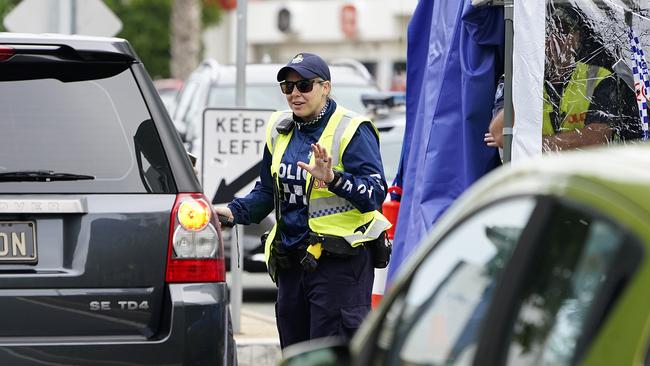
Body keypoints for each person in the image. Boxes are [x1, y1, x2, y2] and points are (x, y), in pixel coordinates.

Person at [215, 52, 390, 348]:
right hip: (293, 264)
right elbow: (268, 192)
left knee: (329, 355)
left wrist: (334, 178)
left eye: (304, 85)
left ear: (326, 87)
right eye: (287, 86)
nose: (295, 93)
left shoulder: (353, 130)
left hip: (340, 267)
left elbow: (374, 195)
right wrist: (231, 212)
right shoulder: (280, 128)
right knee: (295, 354)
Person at [485, 2, 641, 152]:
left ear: (577, 38)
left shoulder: (598, 77)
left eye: (564, 31)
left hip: (583, 175)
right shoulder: (517, 78)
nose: (555, 39)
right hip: (537, 176)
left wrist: (527, 146)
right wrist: (527, 80)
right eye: (547, 33)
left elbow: (595, 139)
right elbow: (500, 134)